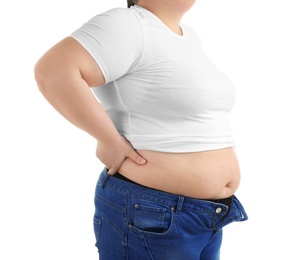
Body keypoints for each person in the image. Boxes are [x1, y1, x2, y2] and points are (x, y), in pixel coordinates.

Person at [34, 0, 248, 259]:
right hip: (153, 213)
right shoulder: (129, 24)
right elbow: (53, 71)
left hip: (204, 216)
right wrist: (108, 139)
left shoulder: (189, 37)